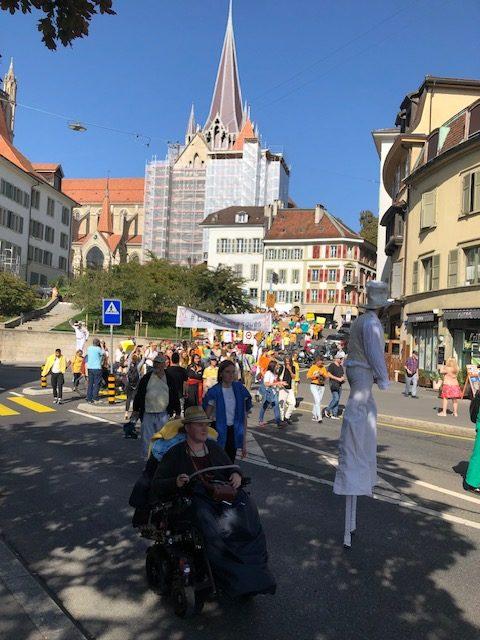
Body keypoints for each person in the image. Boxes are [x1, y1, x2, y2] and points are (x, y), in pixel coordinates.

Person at [149, 406, 276, 599]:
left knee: (247, 509)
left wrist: (236, 474)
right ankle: (226, 573)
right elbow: (157, 484)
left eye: (206, 425)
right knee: (216, 527)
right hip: (193, 501)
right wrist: (175, 482)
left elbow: (230, 467)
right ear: (188, 428)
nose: (204, 429)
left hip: (218, 496)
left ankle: (254, 572)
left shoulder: (214, 448)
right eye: (199, 425)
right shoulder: (175, 453)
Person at [333, 281, 391, 548]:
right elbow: (375, 353)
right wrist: (384, 378)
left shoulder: (359, 322)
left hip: (358, 377)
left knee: (361, 423)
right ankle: (348, 525)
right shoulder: (372, 324)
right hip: (362, 379)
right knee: (359, 429)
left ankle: (351, 523)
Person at [203, 360, 252, 463]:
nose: (231, 375)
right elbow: (206, 416)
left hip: (233, 430)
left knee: (230, 462)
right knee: (216, 461)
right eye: (227, 372)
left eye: (233, 372)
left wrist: (244, 443)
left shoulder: (240, 389)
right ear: (221, 374)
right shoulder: (214, 391)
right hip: (217, 429)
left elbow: (243, 416)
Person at [131, 354, 177, 459]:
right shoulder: (146, 378)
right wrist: (135, 409)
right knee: (147, 439)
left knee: (163, 438)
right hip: (148, 413)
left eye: (159, 363)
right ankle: (148, 460)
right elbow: (139, 394)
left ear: (163, 365)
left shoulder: (169, 378)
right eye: (155, 363)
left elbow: (174, 395)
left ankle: (161, 460)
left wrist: (177, 412)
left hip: (163, 413)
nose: (156, 365)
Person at [307, 355, 331, 423]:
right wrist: (315, 376)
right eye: (320, 362)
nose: (321, 363)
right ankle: (319, 417)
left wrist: (322, 374)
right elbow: (308, 376)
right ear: (317, 361)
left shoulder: (323, 368)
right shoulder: (313, 367)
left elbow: (327, 376)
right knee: (317, 400)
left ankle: (314, 414)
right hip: (314, 385)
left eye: (321, 362)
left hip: (322, 386)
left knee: (318, 401)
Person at [259, 361, 282, 428]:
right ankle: (261, 420)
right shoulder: (268, 373)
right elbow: (266, 384)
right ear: (273, 366)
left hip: (274, 392)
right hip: (268, 392)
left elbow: (275, 382)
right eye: (277, 365)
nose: (278, 366)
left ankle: (278, 422)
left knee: (275, 406)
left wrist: (280, 383)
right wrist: (276, 383)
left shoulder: (275, 373)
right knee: (265, 406)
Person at [166, 351, 188, 417]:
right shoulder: (183, 370)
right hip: (179, 395)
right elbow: (185, 383)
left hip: (168, 395)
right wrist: (185, 393)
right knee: (180, 413)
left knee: (169, 414)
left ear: (171, 360)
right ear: (179, 359)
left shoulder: (167, 370)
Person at [325, 352, 346, 419]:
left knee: (337, 400)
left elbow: (342, 375)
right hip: (333, 384)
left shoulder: (340, 366)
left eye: (342, 359)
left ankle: (334, 414)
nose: (341, 360)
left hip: (339, 385)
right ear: (336, 359)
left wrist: (343, 378)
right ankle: (327, 409)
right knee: (336, 398)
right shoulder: (332, 365)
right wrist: (338, 379)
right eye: (340, 359)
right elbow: (328, 374)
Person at [85, 339, 105, 404]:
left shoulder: (89, 348)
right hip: (97, 368)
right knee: (97, 383)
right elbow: (104, 353)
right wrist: (102, 345)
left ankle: (89, 398)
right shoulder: (98, 349)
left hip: (90, 368)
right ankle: (95, 398)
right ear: (98, 343)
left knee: (90, 383)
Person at [278, 356, 296, 425]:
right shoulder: (282, 367)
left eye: (289, 361)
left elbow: (294, 377)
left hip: (289, 388)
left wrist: (290, 370)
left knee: (293, 403)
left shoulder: (293, 367)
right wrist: (280, 383)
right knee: (282, 405)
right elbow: (278, 377)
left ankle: (287, 417)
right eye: (286, 361)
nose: (287, 363)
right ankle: (281, 419)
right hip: (282, 388)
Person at [124, 353, 142, 421]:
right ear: (137, 360)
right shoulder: (138, 366)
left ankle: (126, 413)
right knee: (135, 399)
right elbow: (143, 359)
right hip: (136, 385)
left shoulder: (129, 365)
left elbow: (129, 357)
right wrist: (142, 352)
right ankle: (134, 413)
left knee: (128, 398)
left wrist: (133, 350)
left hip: (129, 384)